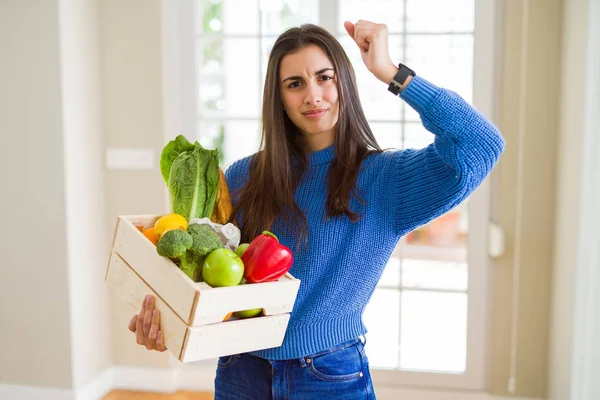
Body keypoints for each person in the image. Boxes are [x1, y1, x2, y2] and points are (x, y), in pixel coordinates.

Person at [128, 20, 505, 399]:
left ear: (344, 81)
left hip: (327, 376)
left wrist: (390, 72)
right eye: (295, 84)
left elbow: (480, 143)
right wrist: (171, 323)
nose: (313, 96)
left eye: (325, 77)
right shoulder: (244, 176)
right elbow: (213, 282)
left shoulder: (384, 179)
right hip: (240, 370)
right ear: (278, 97)